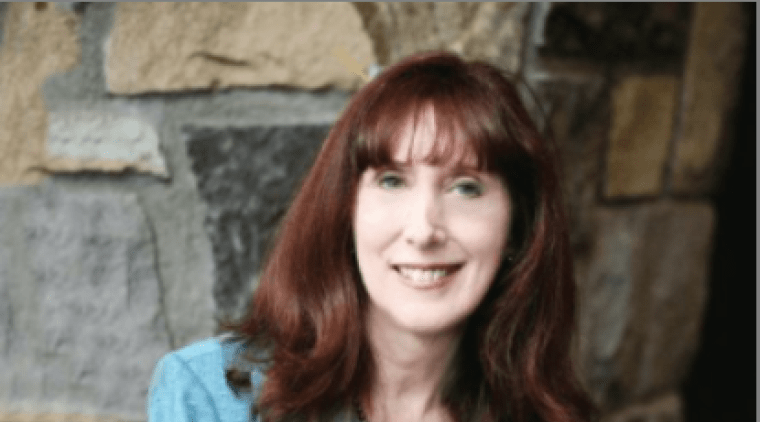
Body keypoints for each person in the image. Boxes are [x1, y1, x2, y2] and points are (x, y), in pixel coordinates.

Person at [148, 51, 597, 422]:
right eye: (392, 181)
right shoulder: (211, 396)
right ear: (346, 210)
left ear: (518, 228)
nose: (423, 231)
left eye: (466, 188)